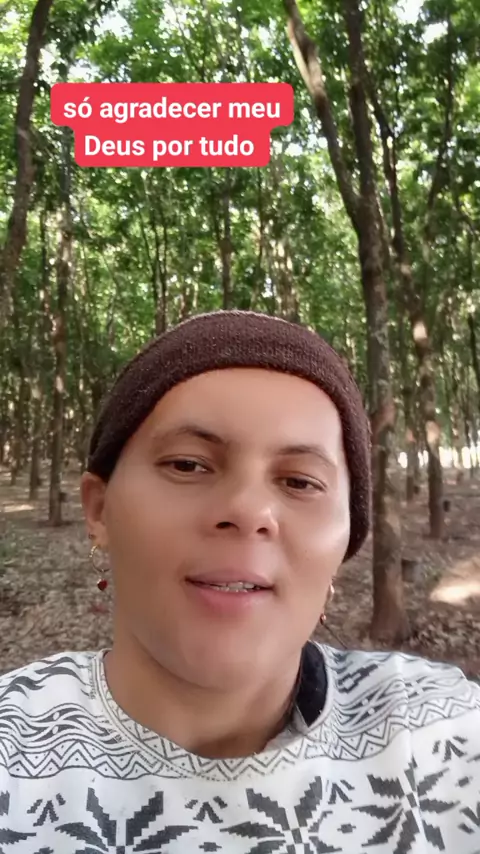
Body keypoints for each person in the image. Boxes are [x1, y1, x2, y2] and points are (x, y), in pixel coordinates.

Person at [0, 309, 479, 854]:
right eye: (187, 465)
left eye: (300, 481)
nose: (248, 510)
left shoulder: (441, 734)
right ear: (99, 509)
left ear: (347, 539)